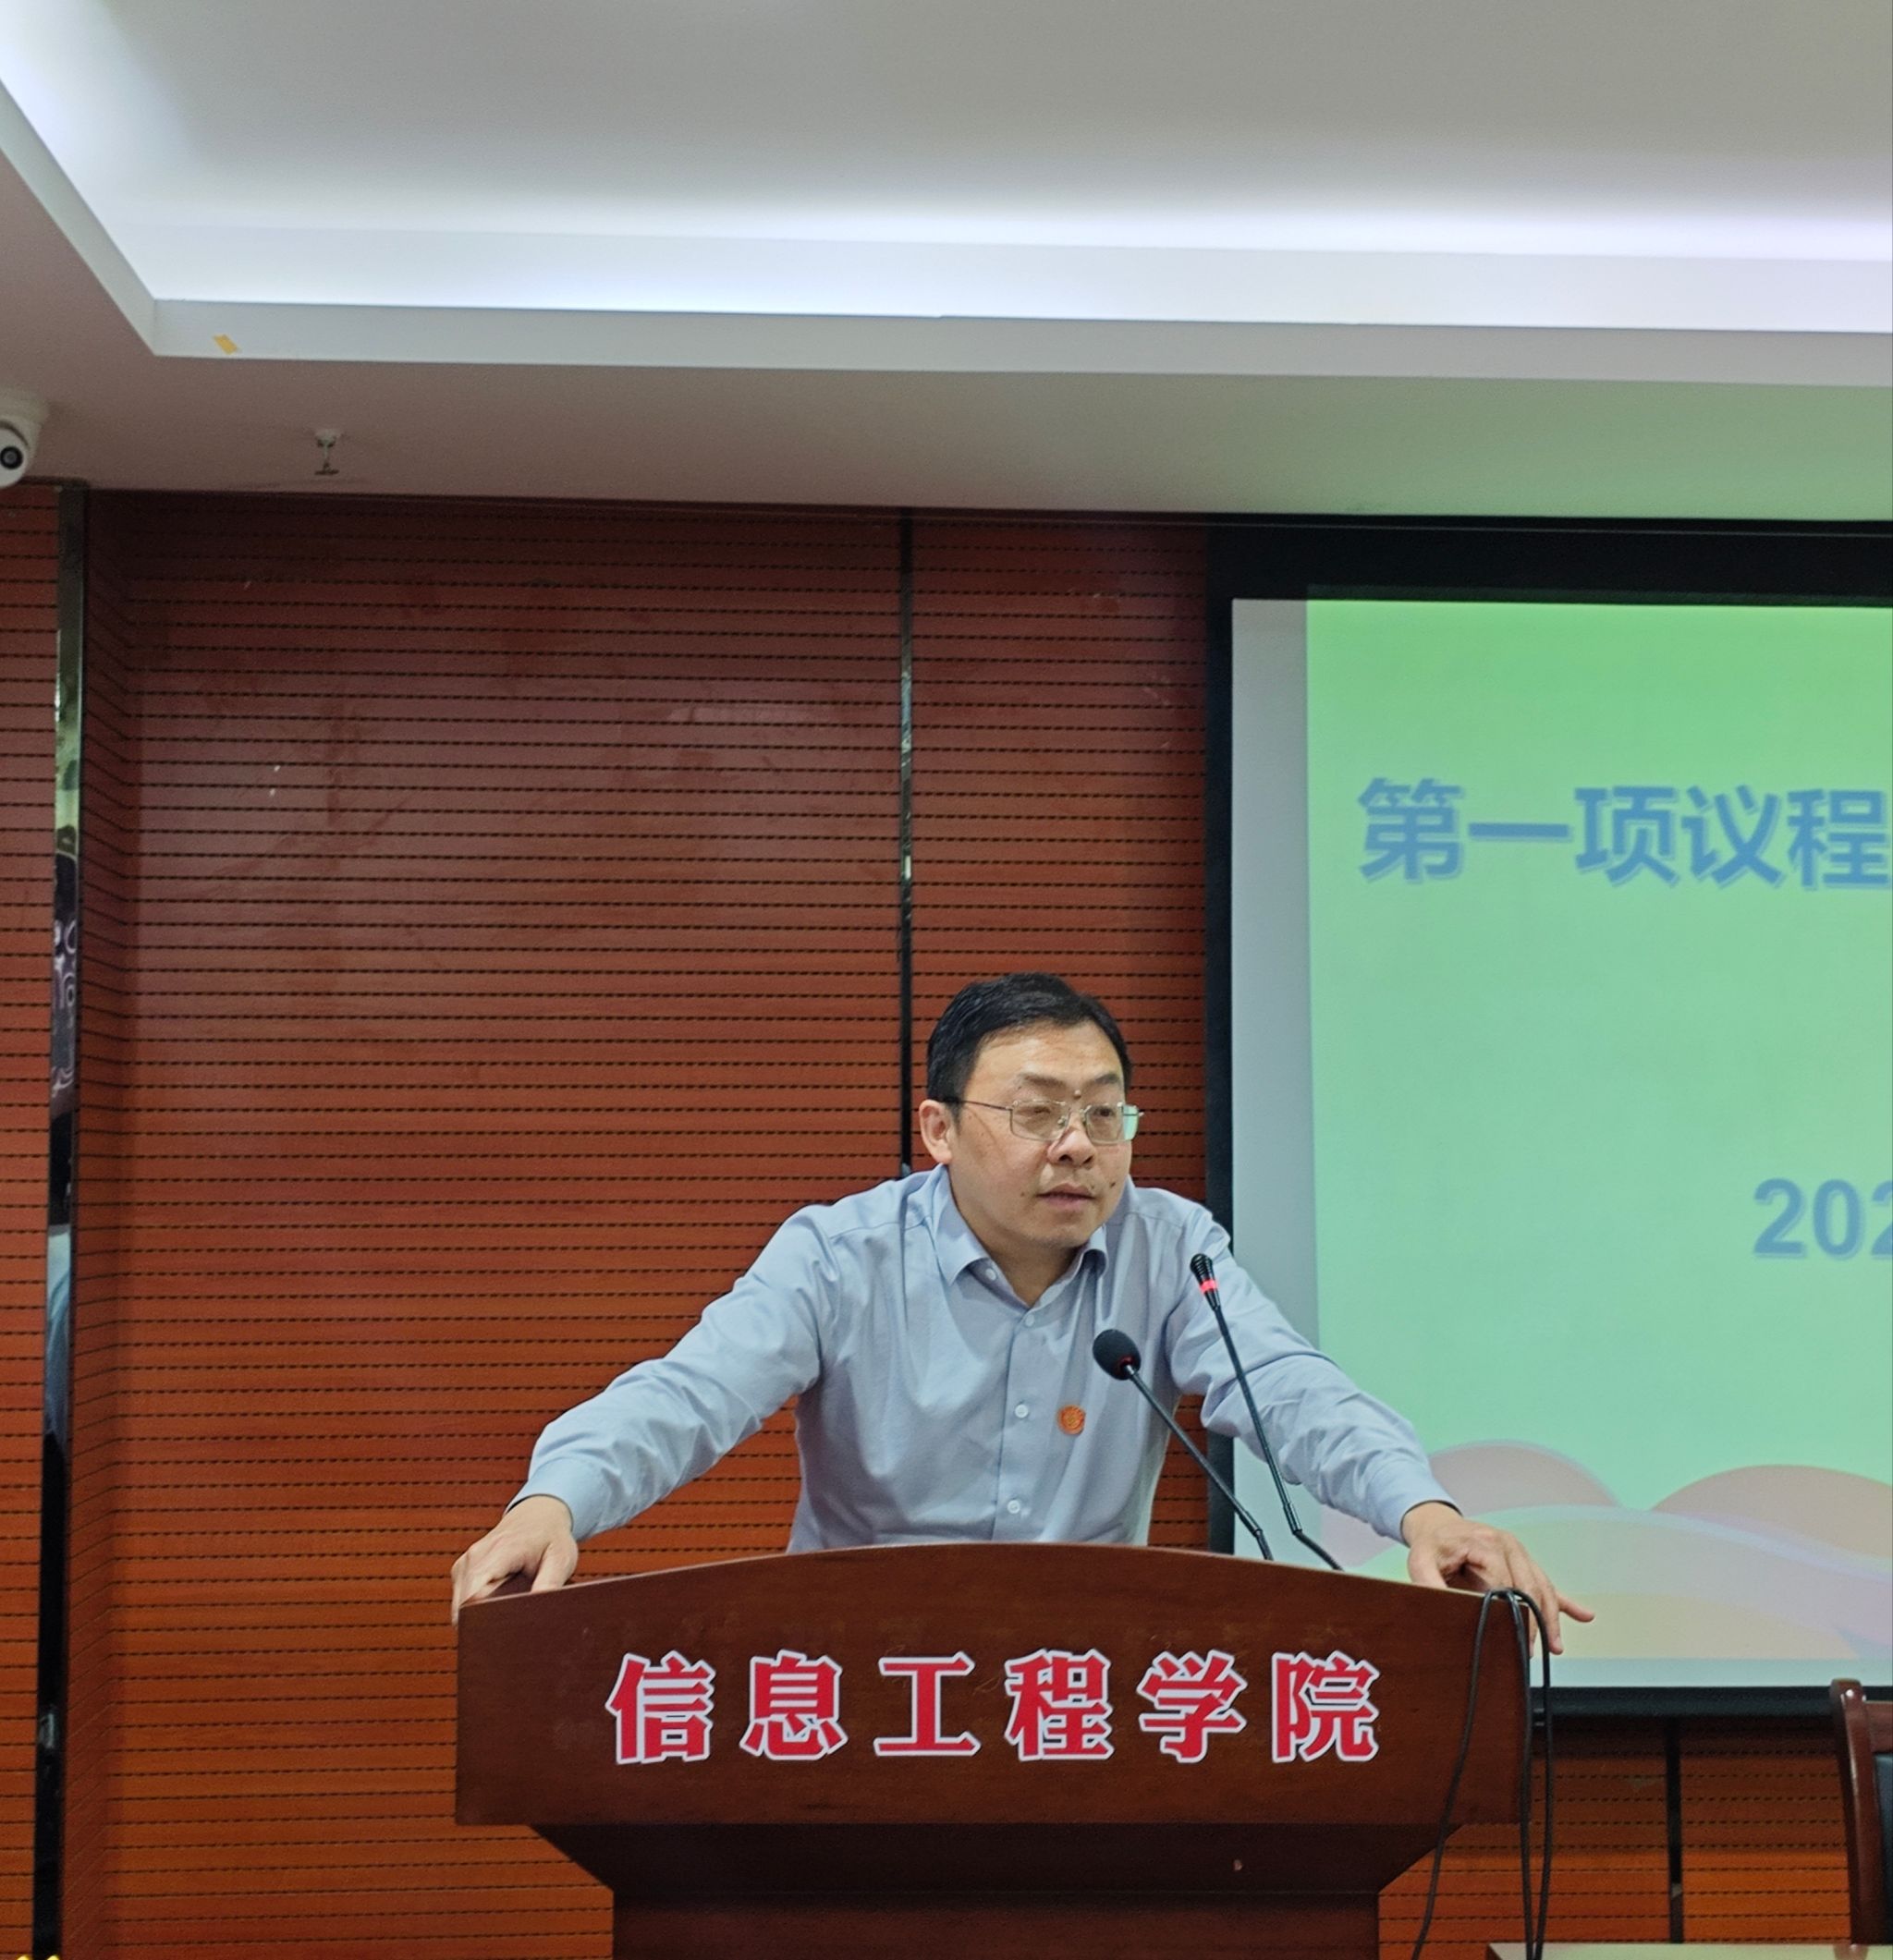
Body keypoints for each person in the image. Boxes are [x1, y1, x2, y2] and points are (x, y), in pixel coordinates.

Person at [451, 972, 1592, 1649]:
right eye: (1037, 1112)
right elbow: (691, 1393)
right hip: (863, 1676)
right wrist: (554, 1503)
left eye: (1103, 1114)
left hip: (1081, 1687)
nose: (1077, 1146)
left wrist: (1420, 1511)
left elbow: (1286, 1391)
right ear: (938, 1131)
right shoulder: (841, 1256)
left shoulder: (1168, 1246)